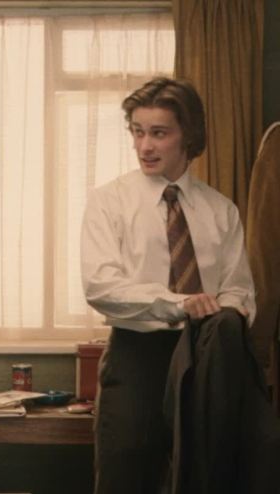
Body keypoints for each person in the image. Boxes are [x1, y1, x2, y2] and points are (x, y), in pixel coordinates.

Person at [81, 77, 280, 494]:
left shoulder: (221, 210)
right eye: (137, 132)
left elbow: (239, 290)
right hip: (137, 359)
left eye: (159, 133)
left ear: (187, 135)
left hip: (206, 362)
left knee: (207, 480)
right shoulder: (109, 201)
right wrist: (178, 303)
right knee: (124, 481)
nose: (145, 146)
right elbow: (101, 286)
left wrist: (224, 315)